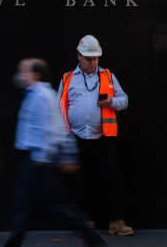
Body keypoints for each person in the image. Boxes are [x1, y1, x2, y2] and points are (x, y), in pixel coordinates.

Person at [0, 58, 108, 247]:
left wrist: (48, 158)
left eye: (23, 71)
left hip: (38, 162)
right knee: (23, 205)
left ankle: (90, 236)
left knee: (54, 207)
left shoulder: (42, 96)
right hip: (34, 160)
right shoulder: (37, 94)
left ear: (36, 75)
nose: (20, 75)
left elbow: (54, 129)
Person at [57, 35, 133, 236]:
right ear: (79, 56)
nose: (93, 62)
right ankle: (86, 223)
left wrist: (112, 103)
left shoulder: (108, 76)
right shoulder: (67, 79)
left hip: (102, 137)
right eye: (88, 58)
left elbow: (124, 100)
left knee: (110, 179)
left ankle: (116, 221)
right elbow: (59, 109)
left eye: (95, 58)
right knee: (82, 181)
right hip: (77, 138)